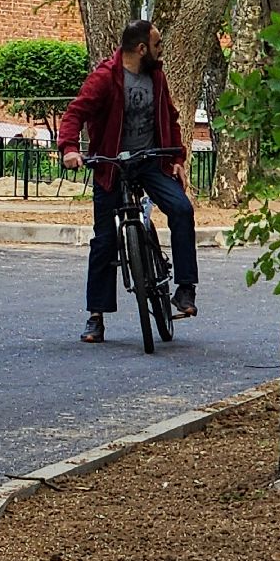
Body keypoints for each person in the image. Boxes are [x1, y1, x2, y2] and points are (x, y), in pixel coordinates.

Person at [59, 19, 197, 343]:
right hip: (111, 166)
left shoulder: (157, 77)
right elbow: (74, 113)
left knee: (182, 209)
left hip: (151, 163)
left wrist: (177, 159)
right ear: (141, 48)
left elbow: (171, 119)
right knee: (104, 240)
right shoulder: (106, 78)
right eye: (157, 45)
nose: (160, 51)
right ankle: (96, 316)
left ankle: (186, 290)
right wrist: (68, 149)